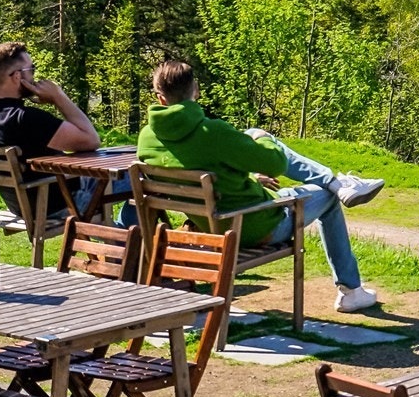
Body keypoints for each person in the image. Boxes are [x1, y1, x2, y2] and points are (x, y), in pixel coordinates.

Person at [137, 60, 383, 313]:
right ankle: (350, 289)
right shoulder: (214, 132)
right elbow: (276, 163)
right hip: (256, 227)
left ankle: (335, 182)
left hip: (210, 226)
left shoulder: (147, 137)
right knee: (327, 197)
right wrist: (265, 138)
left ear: (160, 98)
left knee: (264, 147)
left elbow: (206, 178)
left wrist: (253, 179)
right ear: (196, 90)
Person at [0, 41, 134, 225]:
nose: (34, 75)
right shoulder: (26, 119)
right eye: (31, 69)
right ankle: (136, 244)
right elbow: (91, 140)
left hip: (20, 204)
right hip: (64, 200)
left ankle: (126, 241)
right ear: (17, 76)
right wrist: (58, 97)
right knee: (142, 176)